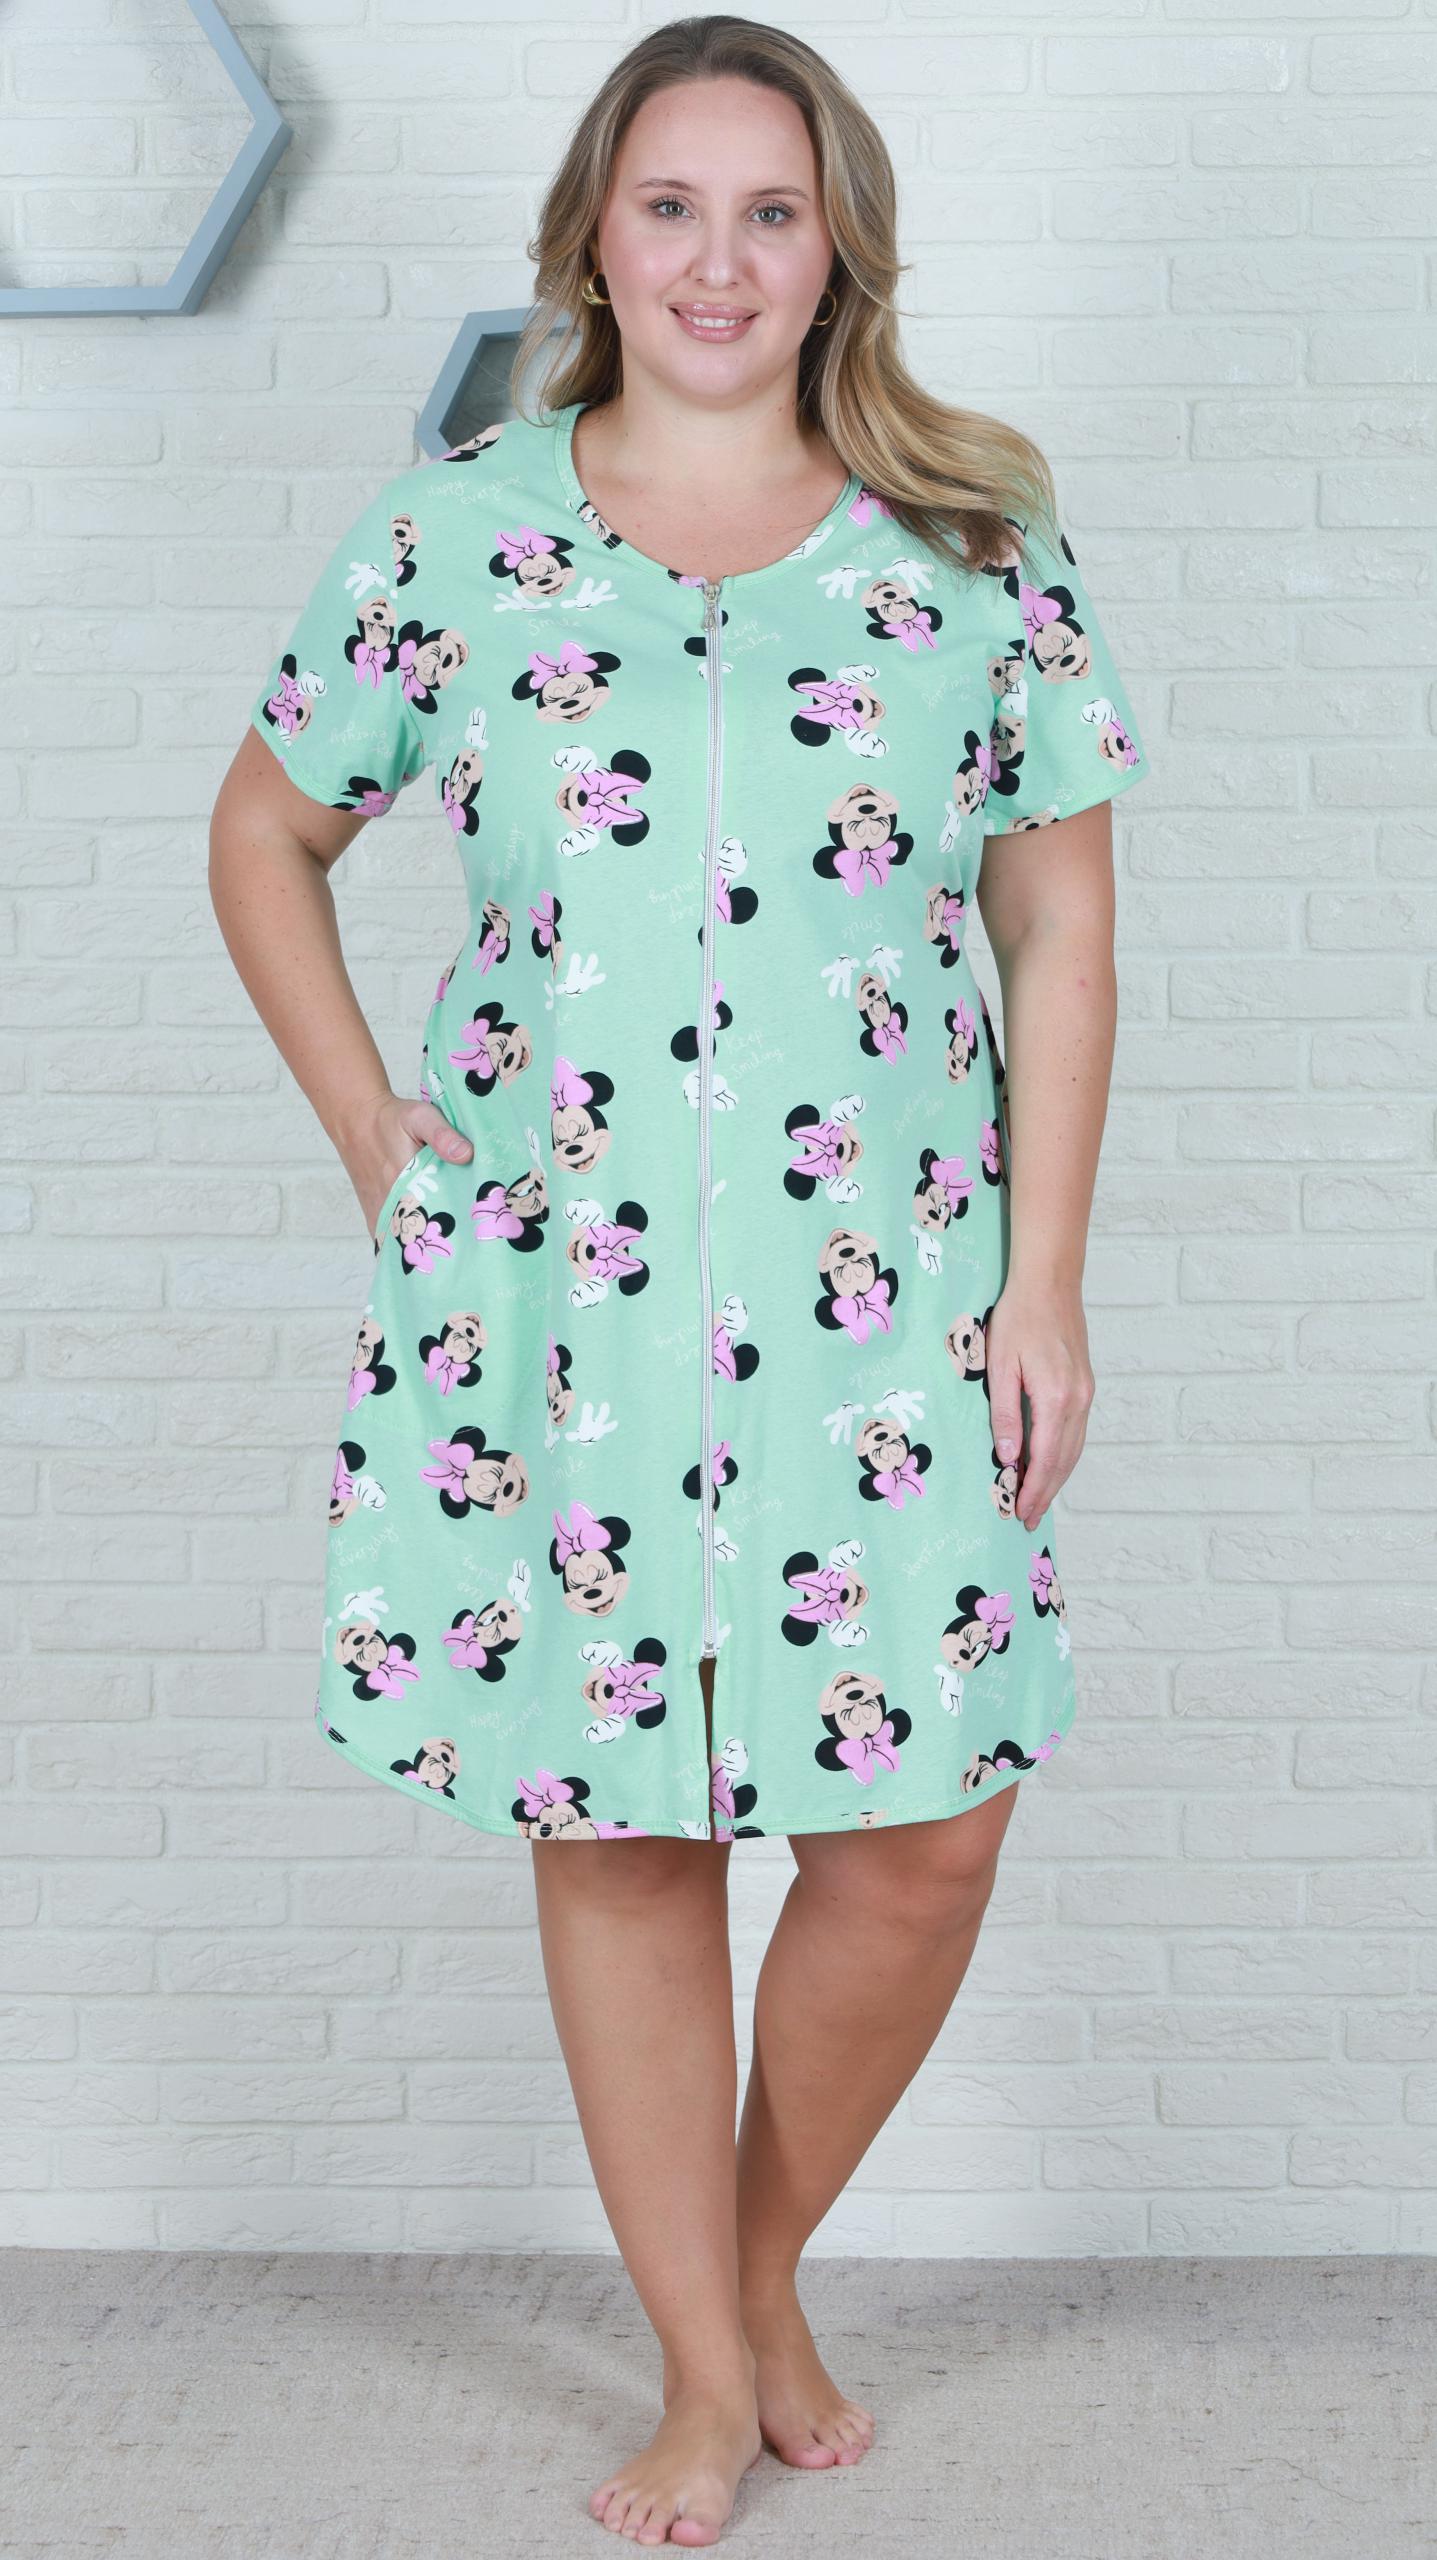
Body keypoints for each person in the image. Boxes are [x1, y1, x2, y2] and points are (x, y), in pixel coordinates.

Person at [210, 14, 1148, 2546]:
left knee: (922, 1823)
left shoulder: (973, 536)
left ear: (833, 243)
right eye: (668, 206)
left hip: (890, 1293)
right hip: (560, 1295)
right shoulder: (454, 535)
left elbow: (1056, 925)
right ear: (593, 239)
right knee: (622, 1824)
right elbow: (262, 831)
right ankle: (708, 2375)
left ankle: (740, 2273)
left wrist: (1044, 1279)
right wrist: (380, 1137)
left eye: (766, 209)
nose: (716, 259)